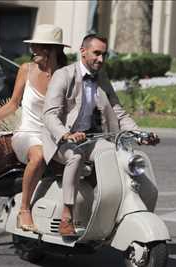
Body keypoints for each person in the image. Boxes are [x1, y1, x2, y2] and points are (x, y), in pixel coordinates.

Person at [42, 34, 155, 236]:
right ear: (83, 51)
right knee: (74, 157)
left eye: (104, 55)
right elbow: (50, 115)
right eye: (96, 53)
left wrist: (141, 134)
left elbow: (118, 112)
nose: (101, 59)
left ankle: (110, 213)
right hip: (61, 140)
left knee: (118, 155)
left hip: (91, 139)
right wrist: (66, 134)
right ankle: (66, 216)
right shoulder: (64, 75)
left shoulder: (101, 78)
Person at [0, 24, 69, 232]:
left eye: (37, 46)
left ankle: (70, 215)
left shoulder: (66, 75)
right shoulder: (26, 69)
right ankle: (24, 210)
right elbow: (13, 104)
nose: (33, 50)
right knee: (38, 155)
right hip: (27, 134)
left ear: (51, 50)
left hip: (55, 136)